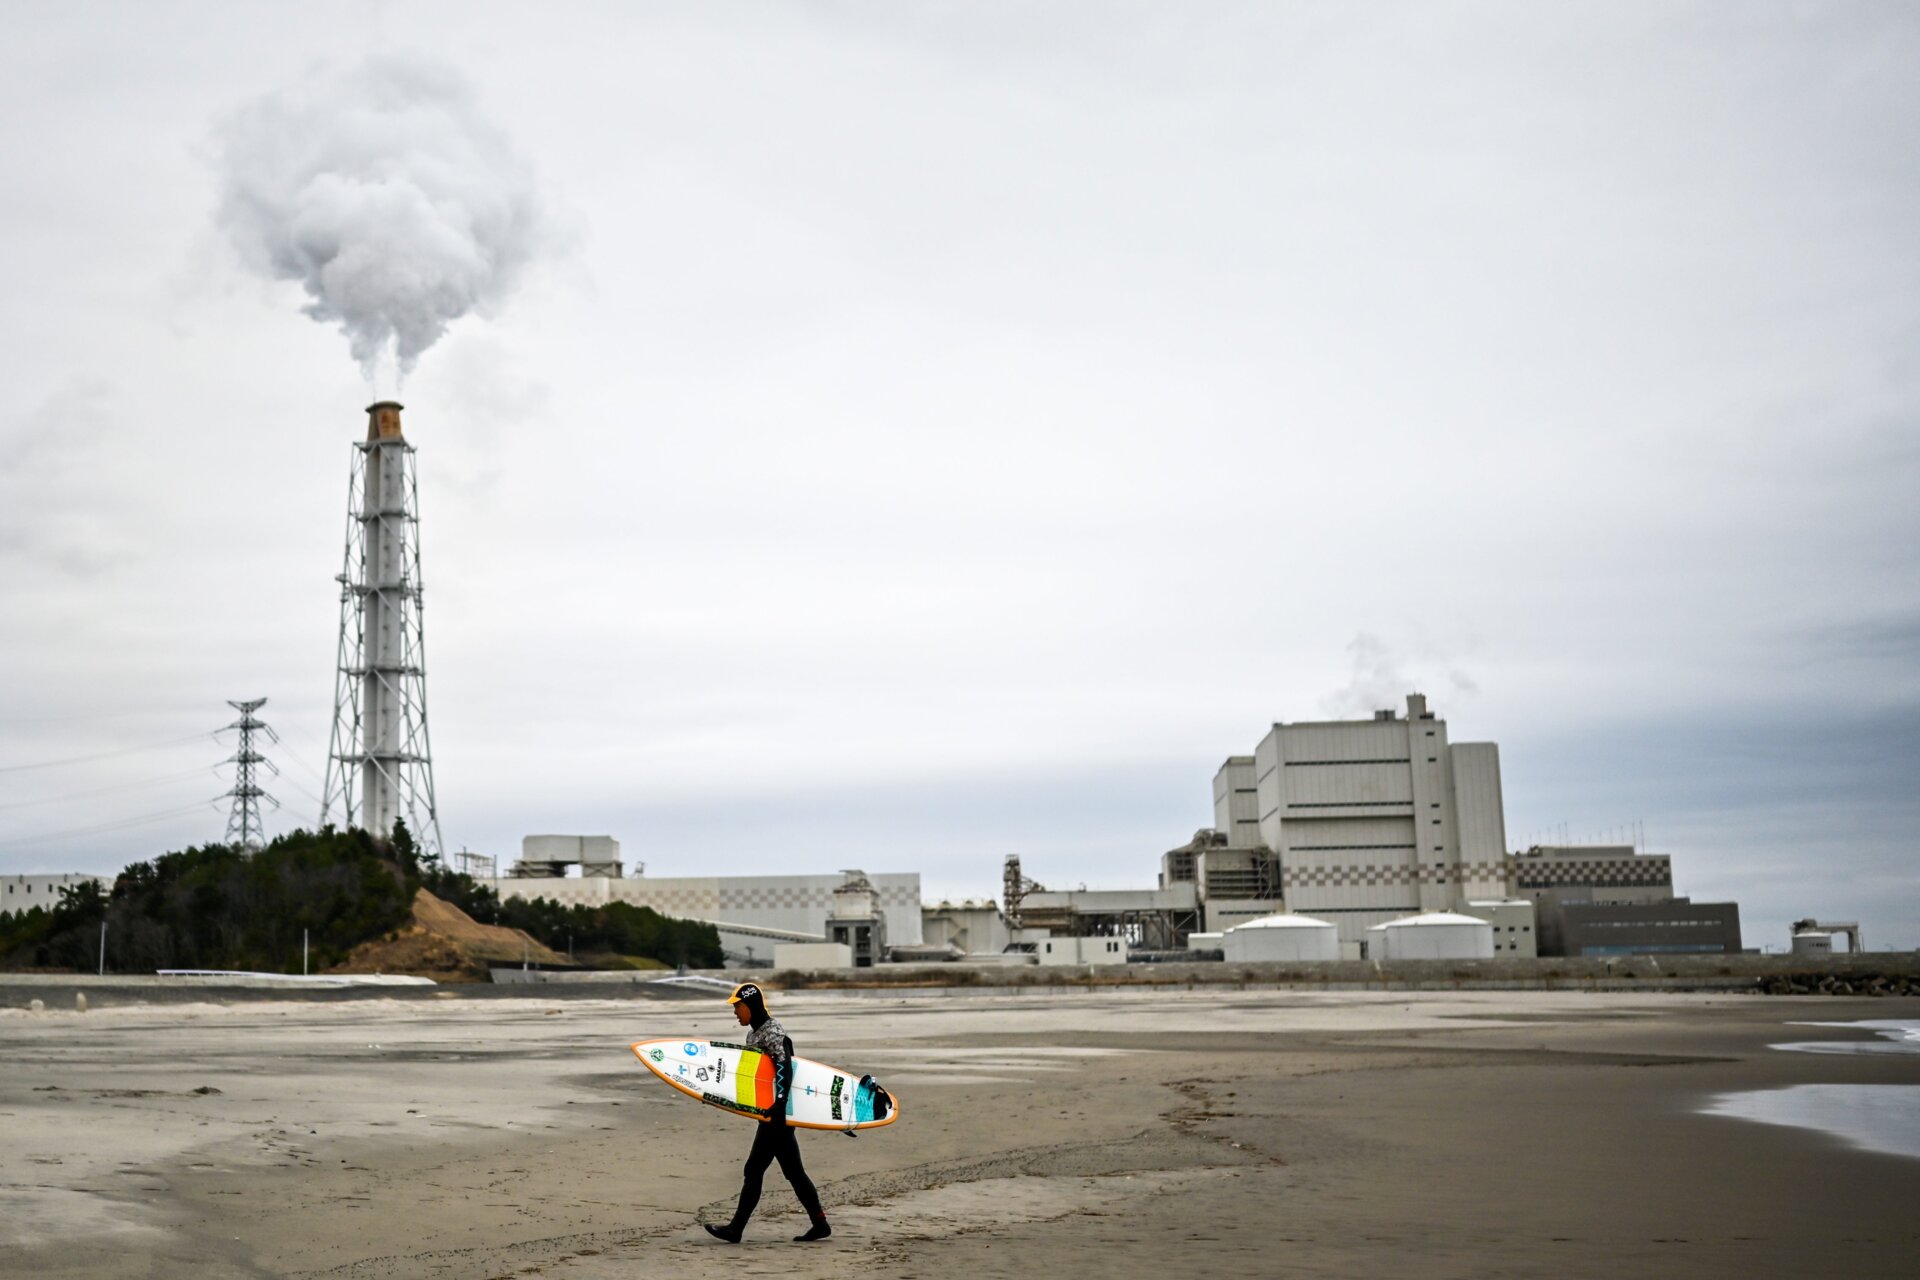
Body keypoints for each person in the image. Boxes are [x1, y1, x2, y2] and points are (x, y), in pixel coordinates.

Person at [704, 982, 831, 1244]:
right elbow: (753, 1078)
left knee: (754, 1169)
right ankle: (820, 1223)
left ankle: (735, 1229)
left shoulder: (772, 1031)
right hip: (772, 1113)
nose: (735, 1012)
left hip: (778, 1115)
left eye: (737, 1006)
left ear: (750, 1005)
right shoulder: (754, 1034)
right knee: (794, 1172)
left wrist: (780, 1104)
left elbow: (785, 1064)